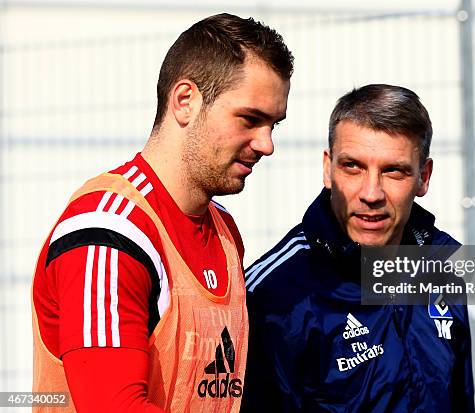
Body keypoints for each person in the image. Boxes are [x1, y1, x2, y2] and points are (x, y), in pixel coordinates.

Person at [31, 13, 293, 412]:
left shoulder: (225, 233)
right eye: (251, 119)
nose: (266, 144)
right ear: (185, 101)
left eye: (274, 124)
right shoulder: (109, 230)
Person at [242, 84, 474, 412]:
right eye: (353, 166)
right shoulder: (273, 295)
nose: (371, 193)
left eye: (394, 170)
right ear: (328, 169)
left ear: (423, 177)